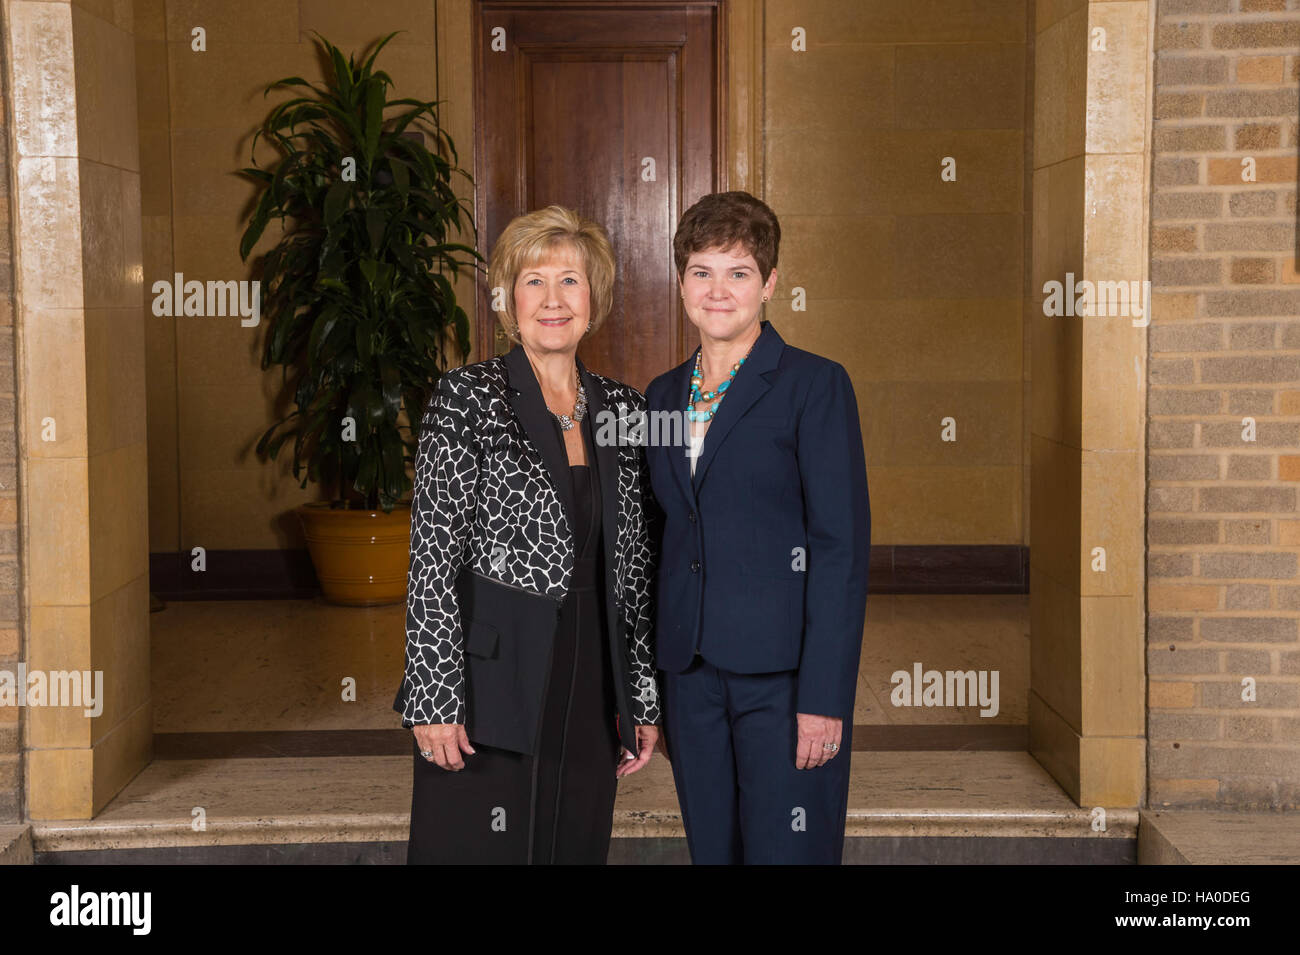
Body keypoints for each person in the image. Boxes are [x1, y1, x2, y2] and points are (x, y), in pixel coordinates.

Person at [394, 205, 660, 864]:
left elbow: (635, 570)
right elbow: (432, 559)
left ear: (592, 299)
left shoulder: (625, 409)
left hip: (592, 683)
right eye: (534, 281)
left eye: (570, 280)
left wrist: (642, 696)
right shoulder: (466, 398)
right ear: (508, 300)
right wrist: (432, 695)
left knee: (572, 844)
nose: (553, 299)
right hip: (489, 683)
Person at [644, 190, 870, 864]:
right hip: (689, 677)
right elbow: (659, 538)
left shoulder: (814, 386)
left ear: (770, 283)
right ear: (681, 280)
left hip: (785, 682)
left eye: (738, 273)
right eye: (702, 271)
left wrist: (825, 698)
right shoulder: (659, 396)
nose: (719, 290)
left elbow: (840, 551)